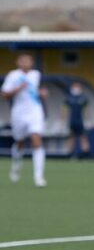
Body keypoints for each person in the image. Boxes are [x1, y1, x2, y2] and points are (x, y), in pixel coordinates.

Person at [2, 52, 48, 187]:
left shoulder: (36, 75)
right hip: (19, 114)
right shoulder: (13, 75)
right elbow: (5, 94)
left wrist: (43, 94)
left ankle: (39, 177)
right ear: (18, 62)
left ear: (32, 63)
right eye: (23, 61)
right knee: (19, 142)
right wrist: (18, 88)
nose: (25, 63)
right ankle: (16, 163)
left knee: (36, 139)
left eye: (28, 61)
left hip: (35, 111)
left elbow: (40, 90)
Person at [64, 81, 90, 159]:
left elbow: (87, 110)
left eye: (77, 87)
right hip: (72, 121)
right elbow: (64, 110)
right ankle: (70, 154)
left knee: (84, 137)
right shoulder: (69, 98)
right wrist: (62, 121)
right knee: (71, 138)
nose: (76, 88)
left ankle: (86, 154)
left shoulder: (83, 98)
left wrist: (88, 120)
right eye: (75, 86)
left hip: (81, 122)